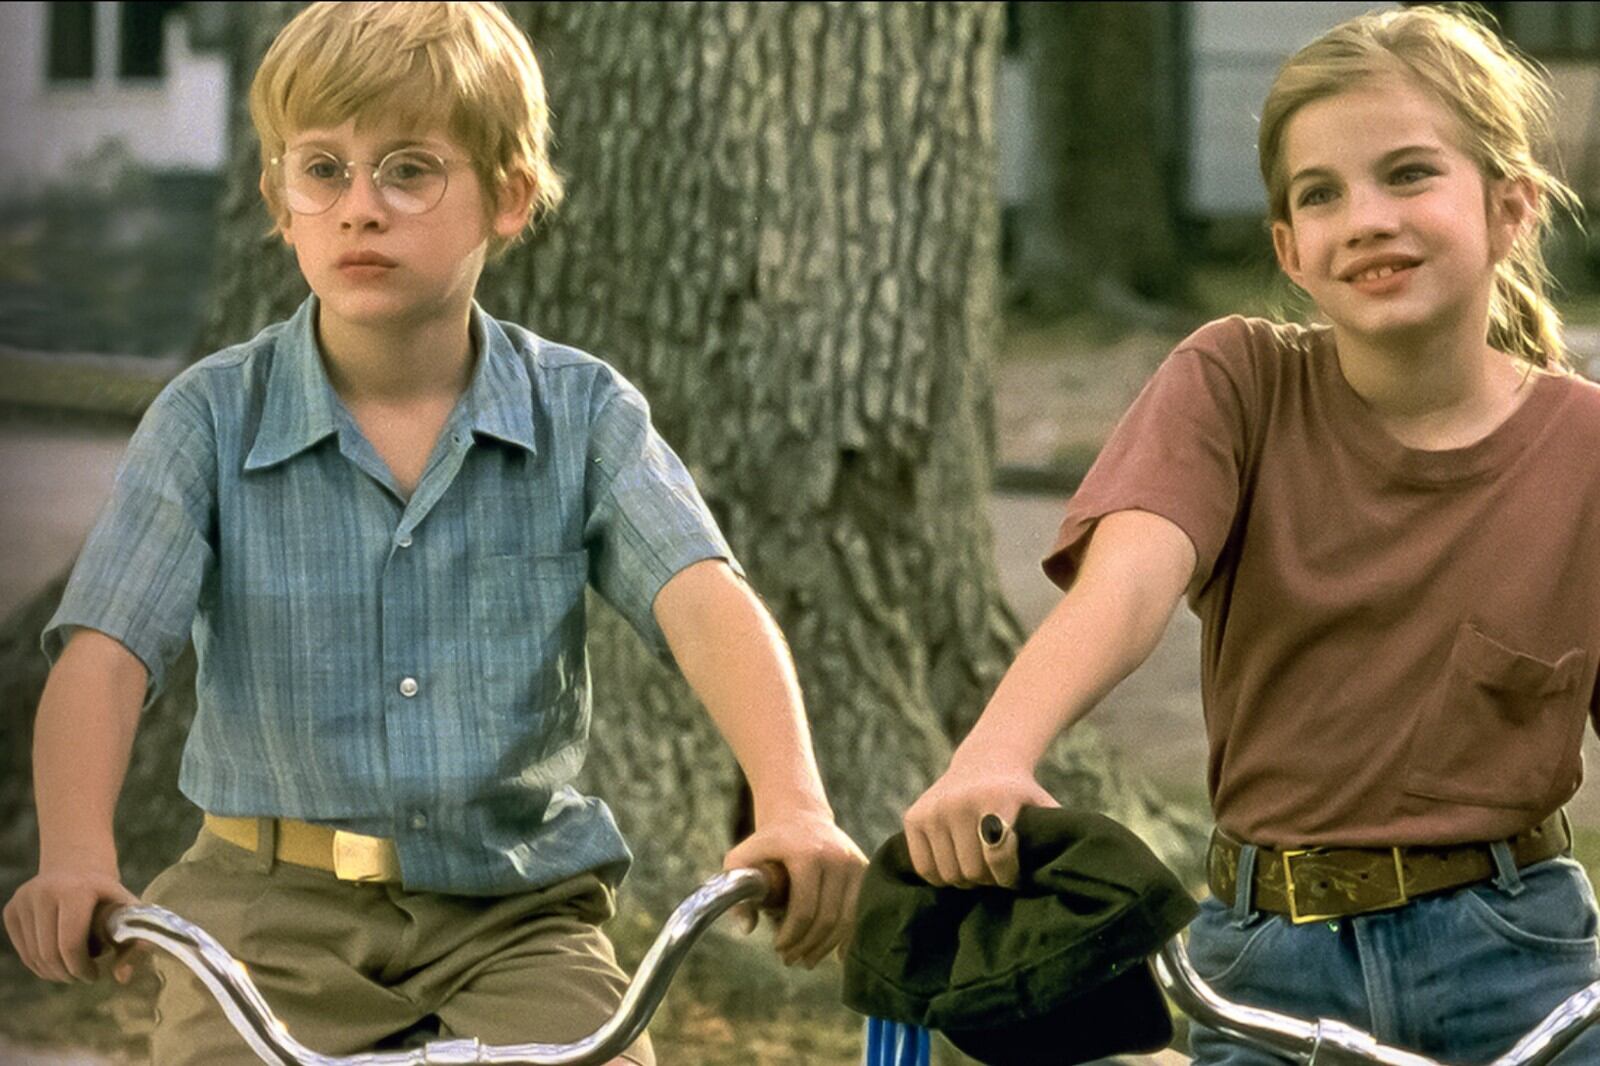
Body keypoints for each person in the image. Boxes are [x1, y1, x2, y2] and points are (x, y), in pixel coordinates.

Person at [1, 4, 865, 1063]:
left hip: (512, 913)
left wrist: (793, 803)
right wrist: (76, 851)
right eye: (323, 170)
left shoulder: (582, 414)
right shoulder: (211, 418)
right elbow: (105, 649)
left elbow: (702, 598)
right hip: (265, 912)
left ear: (507, 197)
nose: (360, 208)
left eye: (409, 170)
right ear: (279, 201)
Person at [902, 6, 1600, 1063]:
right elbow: (1124, 587)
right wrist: (993, 755)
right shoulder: (1235, 382)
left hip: (1521, 953)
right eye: (1321, 194)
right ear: (1289, 249)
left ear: (1510, 209)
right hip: (1272, 954)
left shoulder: (1582, 447)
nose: (1365, 219)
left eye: (1409, 174)